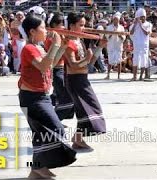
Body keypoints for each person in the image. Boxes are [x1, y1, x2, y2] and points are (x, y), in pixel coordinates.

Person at [18, 15, 76, 179]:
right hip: (32, 98)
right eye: (43, 28)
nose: (47, 31)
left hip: (41, 96)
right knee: (56, 129)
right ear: (32, 31)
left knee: (39, 134)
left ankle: (35, 169)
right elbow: (44, 66)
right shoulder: (28, 49)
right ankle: (39, 167)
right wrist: (55, 45)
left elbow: (52, 64)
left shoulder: (40, 47)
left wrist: (62, 47)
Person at [64, 12, 106, 150]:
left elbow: (90, 63)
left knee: (85, 110)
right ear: (72, 26)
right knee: (90, 108)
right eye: (81, 25)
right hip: (75, 80)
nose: (83, 28)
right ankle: (77, 139)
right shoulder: (69, 42)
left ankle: (78, 139)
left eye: (84, 25)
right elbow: (73, 64)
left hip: (83, 79)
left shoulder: (80, 41)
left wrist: (100, 47)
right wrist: (86, 59)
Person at [45, 12, 75, 120]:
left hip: (64, 68)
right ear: (53, 25)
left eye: (63, 23)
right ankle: (54, 119)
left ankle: (67, 114)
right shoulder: (50, 38)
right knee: (65, 96)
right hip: (56, 69)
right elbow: (52, 57)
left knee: (64, 94)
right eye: (59, 23)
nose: (62, 26)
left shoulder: (63, 36)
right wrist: (62, 44)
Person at [129, 8, 152, 81]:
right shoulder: (134, 24)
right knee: (135, 60)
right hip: (136, 45)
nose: (141, 18)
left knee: (143, 61)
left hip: (144, 45)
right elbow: (131, 33)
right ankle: (134, 76)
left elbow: (146, 33)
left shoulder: (148, 24)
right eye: (140, 17)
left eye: (143, 17)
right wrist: (135, 24)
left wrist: (141, 24)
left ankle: (141, 76)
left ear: (145, 17)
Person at [105, 12, 125, 80]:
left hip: (118, 46)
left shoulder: (121, 27)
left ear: (119, 20)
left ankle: (119, 75)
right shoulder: (109, 27)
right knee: (110, 61)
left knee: (119, 61)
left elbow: (124, 38)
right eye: (115, 19)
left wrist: (119, 35)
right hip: (111, 46)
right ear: (113, 19)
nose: (116, 20)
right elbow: (107, 37)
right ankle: (108, 75)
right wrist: (112, 33)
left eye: (117, 19)